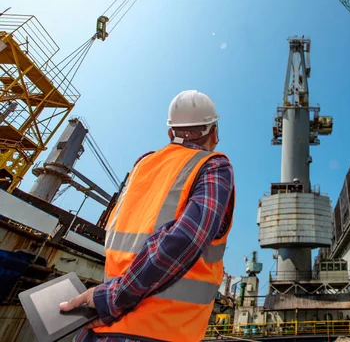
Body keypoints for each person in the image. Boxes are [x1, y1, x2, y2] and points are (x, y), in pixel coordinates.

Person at [60, 90, 236, 342]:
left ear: (169, 133)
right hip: (159, 330)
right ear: (214, 133)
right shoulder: (213, 166)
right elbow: (186, 238)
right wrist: (113, 298)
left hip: (98, 327)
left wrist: (108, 298)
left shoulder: (142, 164)